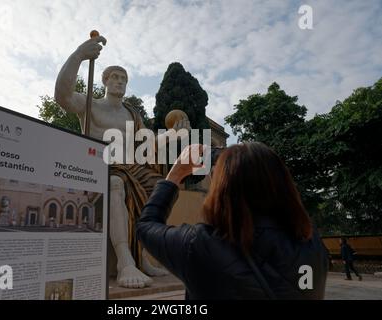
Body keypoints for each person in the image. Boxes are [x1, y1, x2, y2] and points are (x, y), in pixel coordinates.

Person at [55, 35, 190, 288]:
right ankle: (125, 261)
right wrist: (78, 56)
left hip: (131, 166)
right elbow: (62, 97)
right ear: (105, 81)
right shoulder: (90, 104)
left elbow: (147, 143)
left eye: (124, 79)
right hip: (97, 165)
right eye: (115, 77)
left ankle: (141, 256)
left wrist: (174, 134)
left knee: (161, 188)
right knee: (116, 183)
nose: (120, 82)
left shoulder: (132, 114)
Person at [137, 142, 329, 299]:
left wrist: (175, 175)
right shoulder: (313, 246)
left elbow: (146, 226)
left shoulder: (199, 245)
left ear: (223, 188)